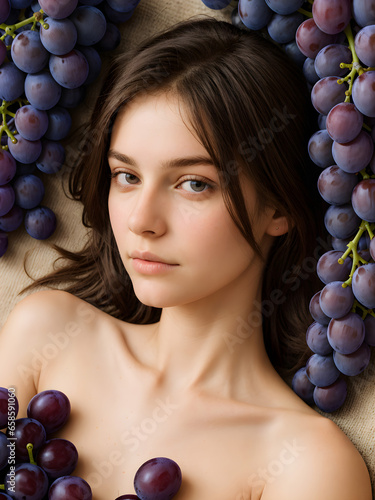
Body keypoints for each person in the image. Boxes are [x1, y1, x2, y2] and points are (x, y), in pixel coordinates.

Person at [0, 16, 372, 500]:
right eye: (126, 176)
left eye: (194, 184)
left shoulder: (309, 465)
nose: (141, 220)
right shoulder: (44, 332)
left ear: (277, 206)